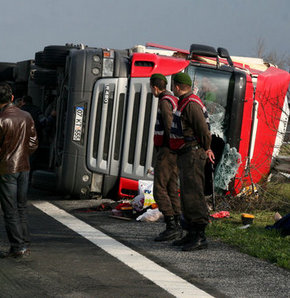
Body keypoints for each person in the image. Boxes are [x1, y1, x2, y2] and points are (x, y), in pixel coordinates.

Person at [170, 73, 215, 251]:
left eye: (174, 85)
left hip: (193, 153)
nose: (172, 88)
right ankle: (190, 232)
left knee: (194, 195)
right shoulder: (185, 102)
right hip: (186, 154)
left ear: (178, 86)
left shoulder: (191, 104)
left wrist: (207, 147)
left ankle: (200, 236)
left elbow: (203, 130)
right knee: (187, 196)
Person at [0, 83, 38, 258]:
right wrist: (23, 154)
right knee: (21, 207)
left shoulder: (1, 119)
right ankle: (24, 243)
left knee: (10, 209)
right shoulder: (26, 115)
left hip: (6, 168)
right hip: (24, 166)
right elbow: (33, 143)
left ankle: (18, 246)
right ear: (12, 98)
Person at [150, 73, 182, 241]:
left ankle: (171, 225)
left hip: (167, 151)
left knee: (159, 188)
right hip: (174, 152)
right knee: (171, 188)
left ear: (155, 87)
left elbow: (169, 125)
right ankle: (177, 223)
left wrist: (169, 147)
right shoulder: (173, 100)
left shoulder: (164, 102)